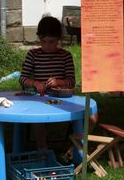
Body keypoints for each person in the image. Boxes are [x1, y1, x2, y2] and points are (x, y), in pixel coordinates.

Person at [17, 16, 78, 150]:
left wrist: (59, 81)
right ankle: (42, 149)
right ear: (39, 38)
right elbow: (22, 78)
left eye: (52, 42)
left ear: (58, 39)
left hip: (61, 97)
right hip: (41, 97)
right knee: (38, 118)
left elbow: (72, 81)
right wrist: (35, 83)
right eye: (44, 42)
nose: (47, 46)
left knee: (87, 116)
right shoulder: (33, 55)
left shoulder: (65, 56)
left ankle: (73, 147)